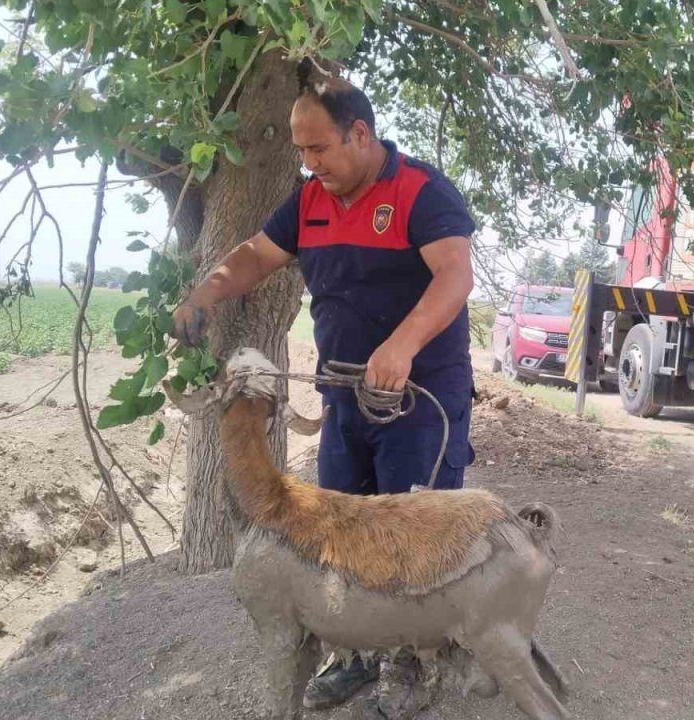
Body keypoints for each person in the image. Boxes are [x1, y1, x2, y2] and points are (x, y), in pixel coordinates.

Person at [171, 63, 477, 718]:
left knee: (411, 532)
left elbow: (455, 276)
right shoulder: (310, 199)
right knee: (336, 527)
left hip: (418, 399)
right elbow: (257, 252)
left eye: (318, 149)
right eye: (300, 151)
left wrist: (403, 345)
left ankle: (410, 665)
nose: (309, 165)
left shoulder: (422, 191)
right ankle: (358, 654)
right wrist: (208, 289)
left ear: (360, 134)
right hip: (345, 398)